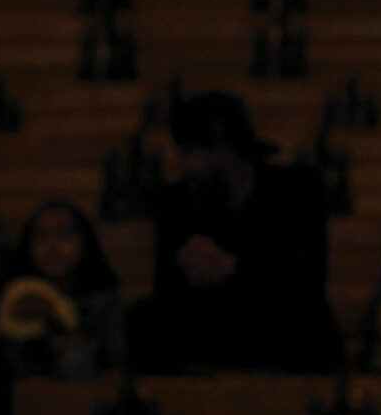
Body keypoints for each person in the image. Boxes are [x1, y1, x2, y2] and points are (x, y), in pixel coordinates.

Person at [126, 91, 344, 374]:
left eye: (190, 153)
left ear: (223, 152)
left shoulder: (297, 191)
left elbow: (305, 279)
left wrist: (230, 267)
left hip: (278, 322)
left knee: (308, 327)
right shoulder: (177, 201)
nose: (184, 165)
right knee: (144, 321)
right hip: (212, 321)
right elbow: (169, 288)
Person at [0, 201, 127, 379]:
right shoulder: (14, 293)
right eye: (41, 236)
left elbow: (117, 355)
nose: (52, 247)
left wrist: (83, 344)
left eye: (65, 235)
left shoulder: (104, 299)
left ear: (84, 242)